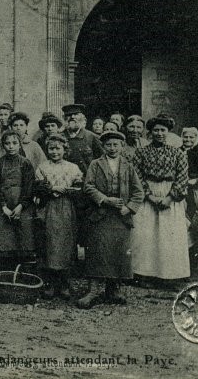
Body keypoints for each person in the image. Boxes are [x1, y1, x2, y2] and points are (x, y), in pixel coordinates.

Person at [78, 131, 144, 308]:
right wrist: (105, 199)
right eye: (108, 145)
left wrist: (128, 207)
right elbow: (88, 186)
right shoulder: (95, 164)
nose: (112, 148)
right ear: (103, 147)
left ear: (122, 146)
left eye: (116, 145)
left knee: (118, 253)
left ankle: (113, 290)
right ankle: (93, 291)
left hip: (121, 218)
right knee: (98, 251)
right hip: (100, 215)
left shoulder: (128, 166)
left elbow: (139, 191)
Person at [132, 114, 190, 285]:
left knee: (169, 235)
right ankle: (145, 274)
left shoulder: (178, 153)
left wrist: (170, 198)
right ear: (150, 132)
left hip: (170, 195)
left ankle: (170, 275)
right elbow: (137, 176)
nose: (159, 133)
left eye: (162, 130)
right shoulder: (141, 152)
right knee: (146, 234)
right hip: (148, 196)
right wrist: (149, 196)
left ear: (168, 132)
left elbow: (182, 177)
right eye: (156, 130)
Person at [33, 135, 83, 299]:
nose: (54, 152)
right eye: (51, 149)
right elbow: (38, 187)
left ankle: (64, 283)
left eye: (58, 148)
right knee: (48, 243)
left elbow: (79, 188)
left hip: (66, 208)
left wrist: (65, 190)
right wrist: (51, 189)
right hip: (48, 208)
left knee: (66, 244)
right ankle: (50, 283)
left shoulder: (73, 167)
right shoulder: (42, 167)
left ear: (65, 150)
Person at [0, 130, 36, 269]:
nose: (11, 146)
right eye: (7, 143)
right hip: (3, 208)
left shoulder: (26, 163)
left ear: (20, 144)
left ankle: (23, 275)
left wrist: (21, 205)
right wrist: (3, 206)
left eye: (14, 143)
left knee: (24, 240)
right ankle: (4, 274)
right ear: (3, 145)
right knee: (4, 242)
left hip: (22, 208)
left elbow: (29, 186)